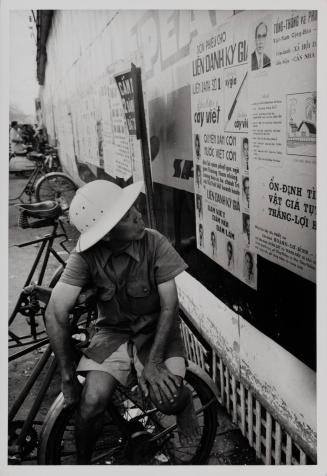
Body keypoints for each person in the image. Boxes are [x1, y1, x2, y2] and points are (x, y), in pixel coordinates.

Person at [45, 179, 200, 464]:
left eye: (134, 209)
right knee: (91, 402)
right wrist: (68, 377)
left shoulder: (154, 242)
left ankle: (186, 403)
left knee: (169, 400)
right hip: (112, 334)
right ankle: (82, 464)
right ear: (107, 234)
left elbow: (169, 306)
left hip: (156, 332)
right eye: (128, 216)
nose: (139, 215)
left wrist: (152, 364)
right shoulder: (85, 255)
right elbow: (55, 311)